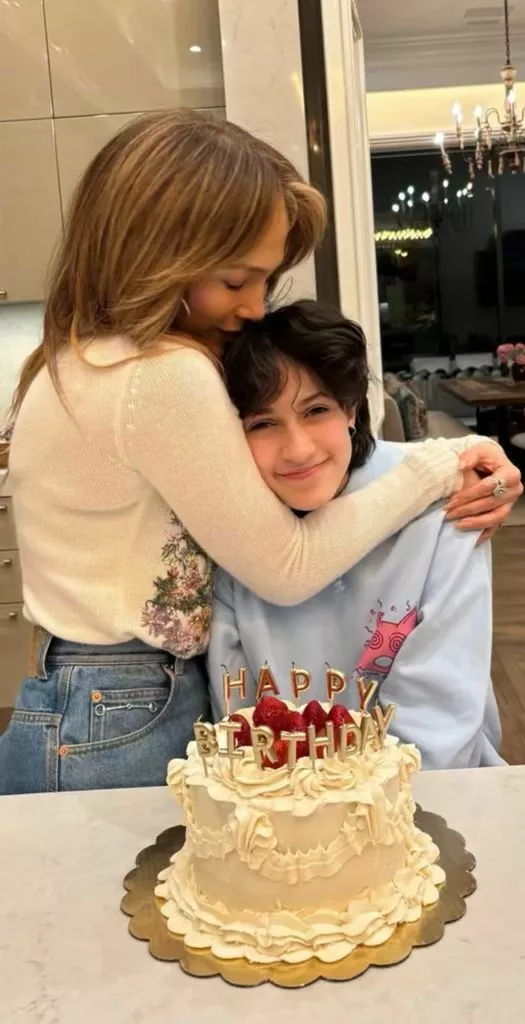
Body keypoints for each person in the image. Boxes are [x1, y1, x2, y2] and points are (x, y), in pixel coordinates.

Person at [0, 112, 519, 794]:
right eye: (236, 279)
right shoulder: (161, 376)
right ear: (155, 255)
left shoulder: (78, 359)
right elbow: (288, 566)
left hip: (81, 697)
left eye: (264, 282)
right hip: (124, 706)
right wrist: (441, 464)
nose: (252, 307)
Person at [208, 300, 504, 768]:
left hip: (432, 792)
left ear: (349, 408)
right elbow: (239, 725)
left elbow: (438, 730)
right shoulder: (231, 528)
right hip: (280, 801)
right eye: (263, 423)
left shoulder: (445, 498)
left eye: (316, 410)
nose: (297, 450)